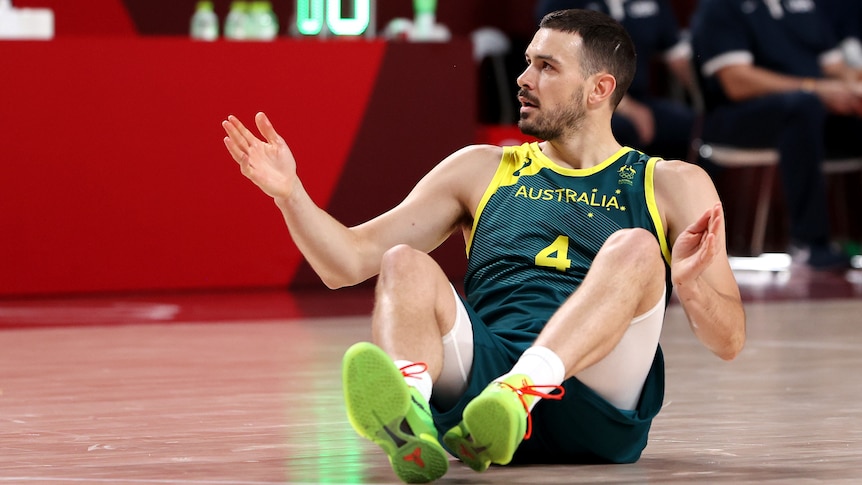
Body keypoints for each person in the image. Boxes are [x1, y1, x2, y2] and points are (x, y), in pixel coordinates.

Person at [223, 9, 745, 483]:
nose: (523, 79)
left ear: (598, 88)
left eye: (546, 67)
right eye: (527, 63)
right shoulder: (481, 169)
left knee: (635, 247)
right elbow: (347, 262)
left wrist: (692, 288)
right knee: (402, 262)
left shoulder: (670, 183)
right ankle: (409, 414)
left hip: (597, 398)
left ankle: (524, 389)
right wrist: (291, 195)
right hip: (482, 403)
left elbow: (729, 341)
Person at [690, 0, 862, 270]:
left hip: (815, 111)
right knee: (802, 106)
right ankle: (809, 242)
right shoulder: (721, 7)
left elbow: (836, 68)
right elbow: (737, 82)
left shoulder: (803, 4)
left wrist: (852, 87)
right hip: (737, 117)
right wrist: (814, 88)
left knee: (811, 107)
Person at [534, 0, 696, 161]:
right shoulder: (559, 4)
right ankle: (615, 185)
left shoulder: (655, 4)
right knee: (624, 129)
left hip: (639, 96)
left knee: (690, 126)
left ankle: (665, 184)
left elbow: (676, 56)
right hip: (581, 101)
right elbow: (562, 63)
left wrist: (705, 100)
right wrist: (626, 107)